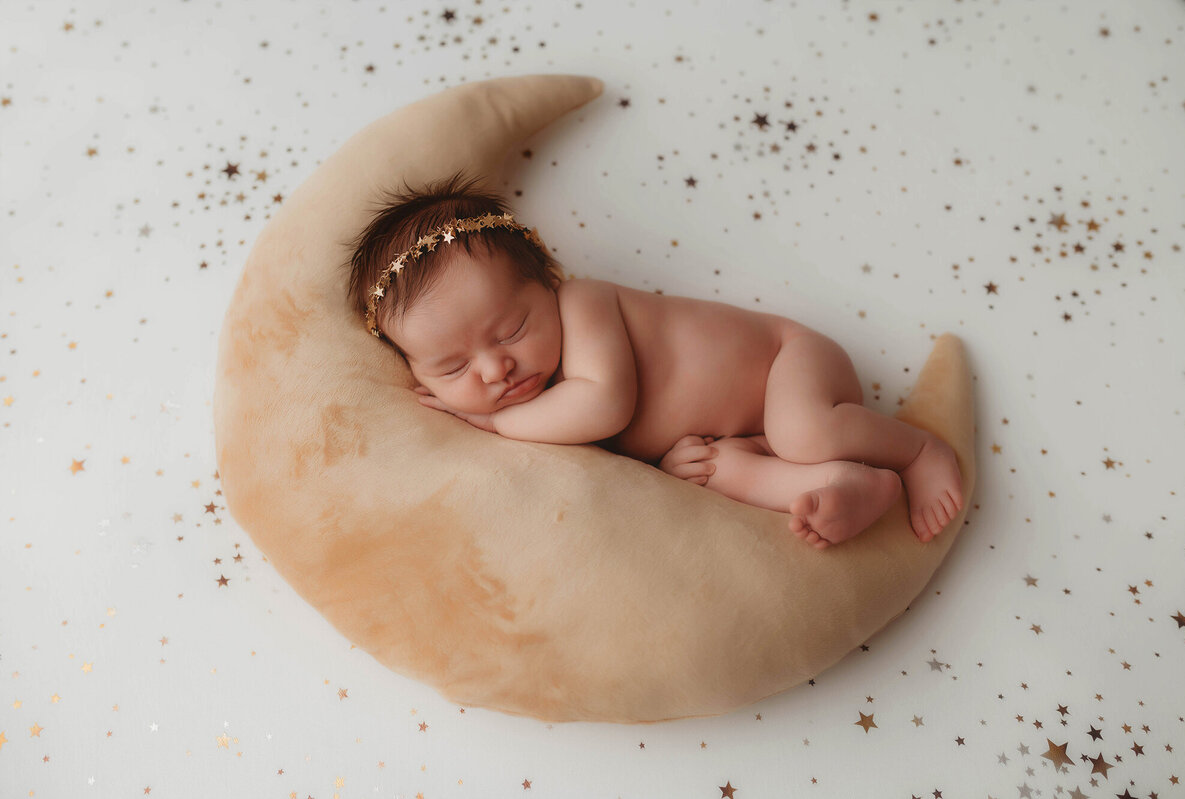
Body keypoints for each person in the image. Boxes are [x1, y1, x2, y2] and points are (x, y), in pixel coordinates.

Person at [347, 172, 964, 550]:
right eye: (452, 370)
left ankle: (915, 452)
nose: (493, 370)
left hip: (790, 364)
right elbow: (624, 451)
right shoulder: (545, 419)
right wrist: (666, 464)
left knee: (799, 430)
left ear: (548, 282)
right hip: (737, 433)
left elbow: (604, 403)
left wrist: (494, 423)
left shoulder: (585, 303)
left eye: (512, 329)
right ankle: (847, 486)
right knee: (715, 471)